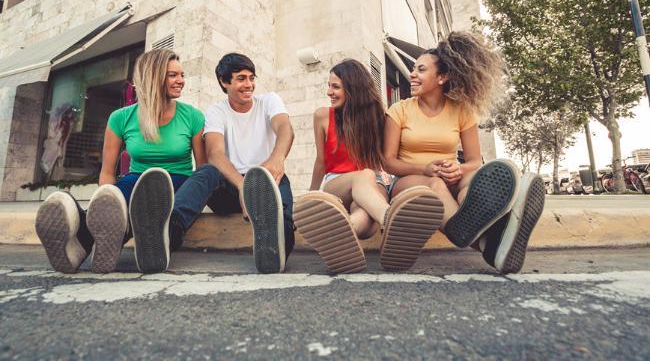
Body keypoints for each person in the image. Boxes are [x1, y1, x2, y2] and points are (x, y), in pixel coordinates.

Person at [383, 31, 546, 274]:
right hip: (409, 181)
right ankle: (493, 231)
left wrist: (458, 169)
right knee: (435, 185)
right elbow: (388, 162)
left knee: (473, 180)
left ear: (442, 77)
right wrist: (425, 169)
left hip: (451, 177)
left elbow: (473, 161)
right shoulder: (399, 110)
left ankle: (493, 246)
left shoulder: (462, 111)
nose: (412, 75)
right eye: (413, 69)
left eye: (420, 70)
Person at [35, 49, 206, 274]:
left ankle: (95, 239)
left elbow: (202, 169)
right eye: (173, 75)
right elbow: (107, 171)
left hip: (178, 183)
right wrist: (106, 203)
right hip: (136, 182)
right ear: (153, 77)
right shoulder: (121, 118)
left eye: (181, 74)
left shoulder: (193, 116)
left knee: (206, 173)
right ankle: (79, 246)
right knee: (121, 195)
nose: (181, 81)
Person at [294, 59, 442, 274]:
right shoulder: (322, 116)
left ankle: (344, 234)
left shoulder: (378, 117)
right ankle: (391, 222)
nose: (329, 92)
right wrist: (311, 196)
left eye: (335, 87)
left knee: (364, 215)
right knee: (363, 175)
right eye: (329, 86)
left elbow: (385, 160)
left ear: (353, 89)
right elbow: (321, 161)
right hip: (337, 183)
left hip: (374, 183)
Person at [166, 52, 295, 274]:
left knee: (279, 195)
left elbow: (285, 129)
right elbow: (215, 153)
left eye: (252, 78)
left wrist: (277, 159)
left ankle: (275, 248)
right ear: (224, 82)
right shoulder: (216, 111)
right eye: (241, 78)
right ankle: (168, 233)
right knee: (207, 171)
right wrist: (243, 187)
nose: (249, 84)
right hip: (230, 187)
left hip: (265, 178)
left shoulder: (269, 101)